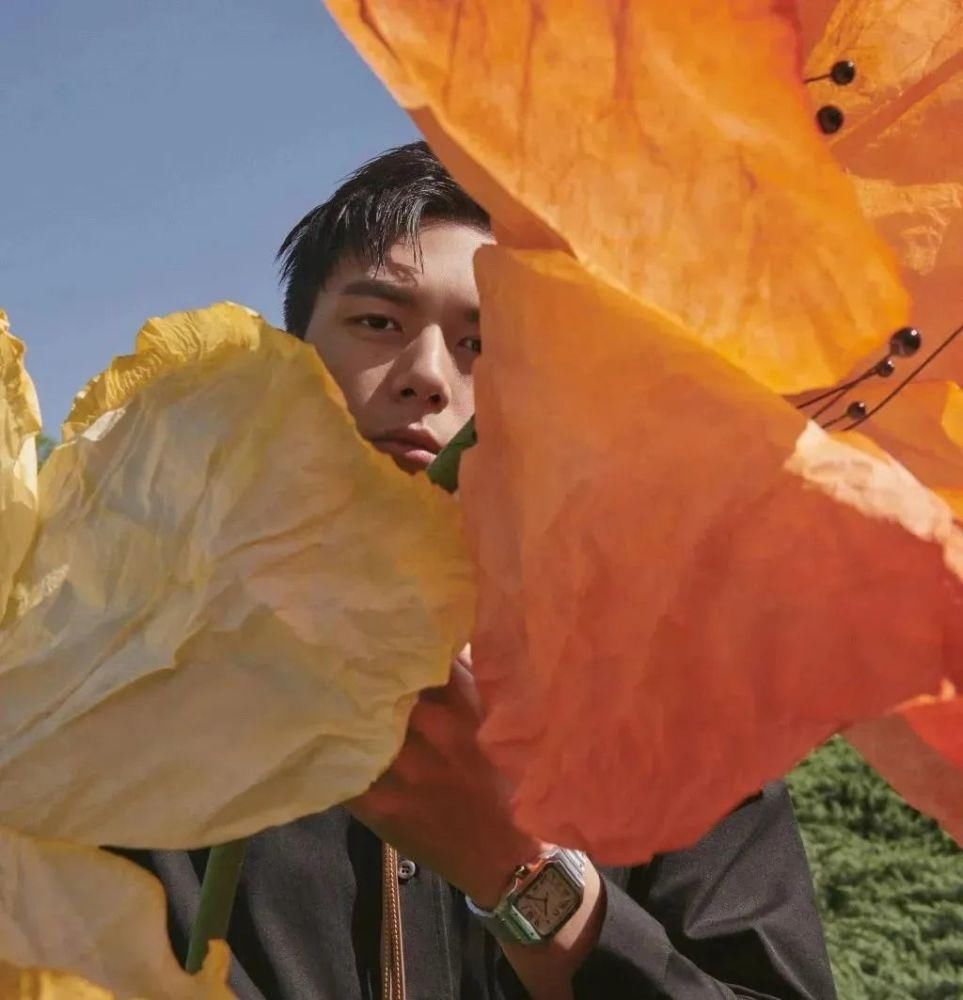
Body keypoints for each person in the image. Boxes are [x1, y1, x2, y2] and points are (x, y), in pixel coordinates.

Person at [121, 141, 837, 1000]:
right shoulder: (147, 678)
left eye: (483, 341)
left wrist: (520, 876)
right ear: (286, 357)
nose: (426, 375)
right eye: (379, 323)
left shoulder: (676, 713)